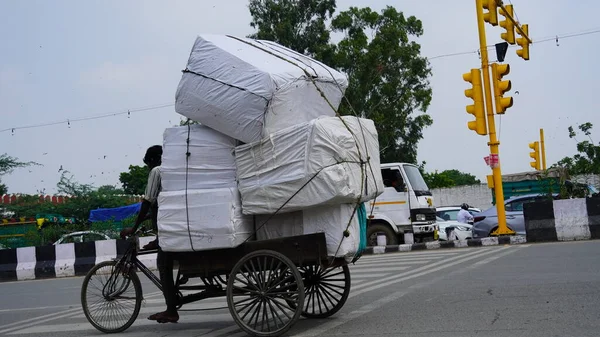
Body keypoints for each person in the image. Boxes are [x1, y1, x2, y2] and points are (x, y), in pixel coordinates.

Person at [120, 145, 179, 323]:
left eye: (148, 164)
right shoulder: (174, 170)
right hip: (174, 228)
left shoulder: (157, 171)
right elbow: (161, 205)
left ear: (153, 160)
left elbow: (148, 202)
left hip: (169, 232)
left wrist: (133, 227)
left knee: (163, 264)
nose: (148, 168)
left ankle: (171, 310)